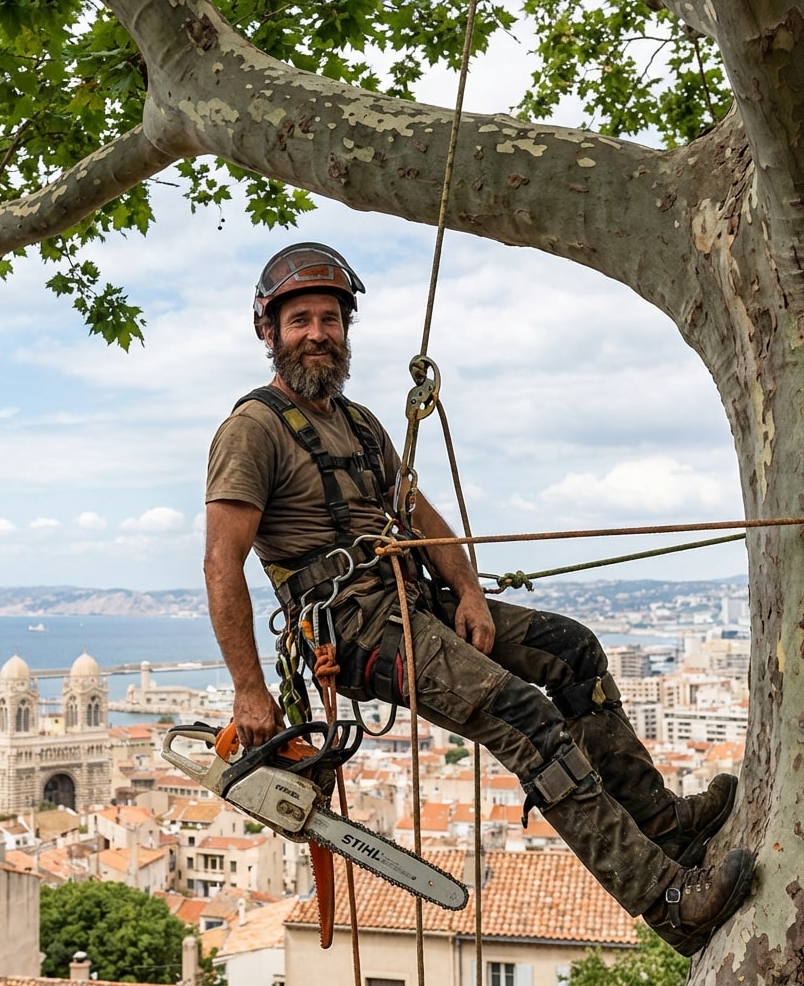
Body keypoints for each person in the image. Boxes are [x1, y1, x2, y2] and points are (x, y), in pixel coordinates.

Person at [203, 242, 755, 956]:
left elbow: (420, 516)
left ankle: (665, 825)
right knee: (520, 715)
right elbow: (223, 564)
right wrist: (249, 689)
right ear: (268, 332)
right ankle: (666, 901)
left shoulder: (364, 425)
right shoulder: (253, 429)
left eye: (330, 320)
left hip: (414, 602)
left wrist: (468, 589)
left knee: (573, 651)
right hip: (358, 630)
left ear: (345, 330)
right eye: (301, 320)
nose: (317, 333)